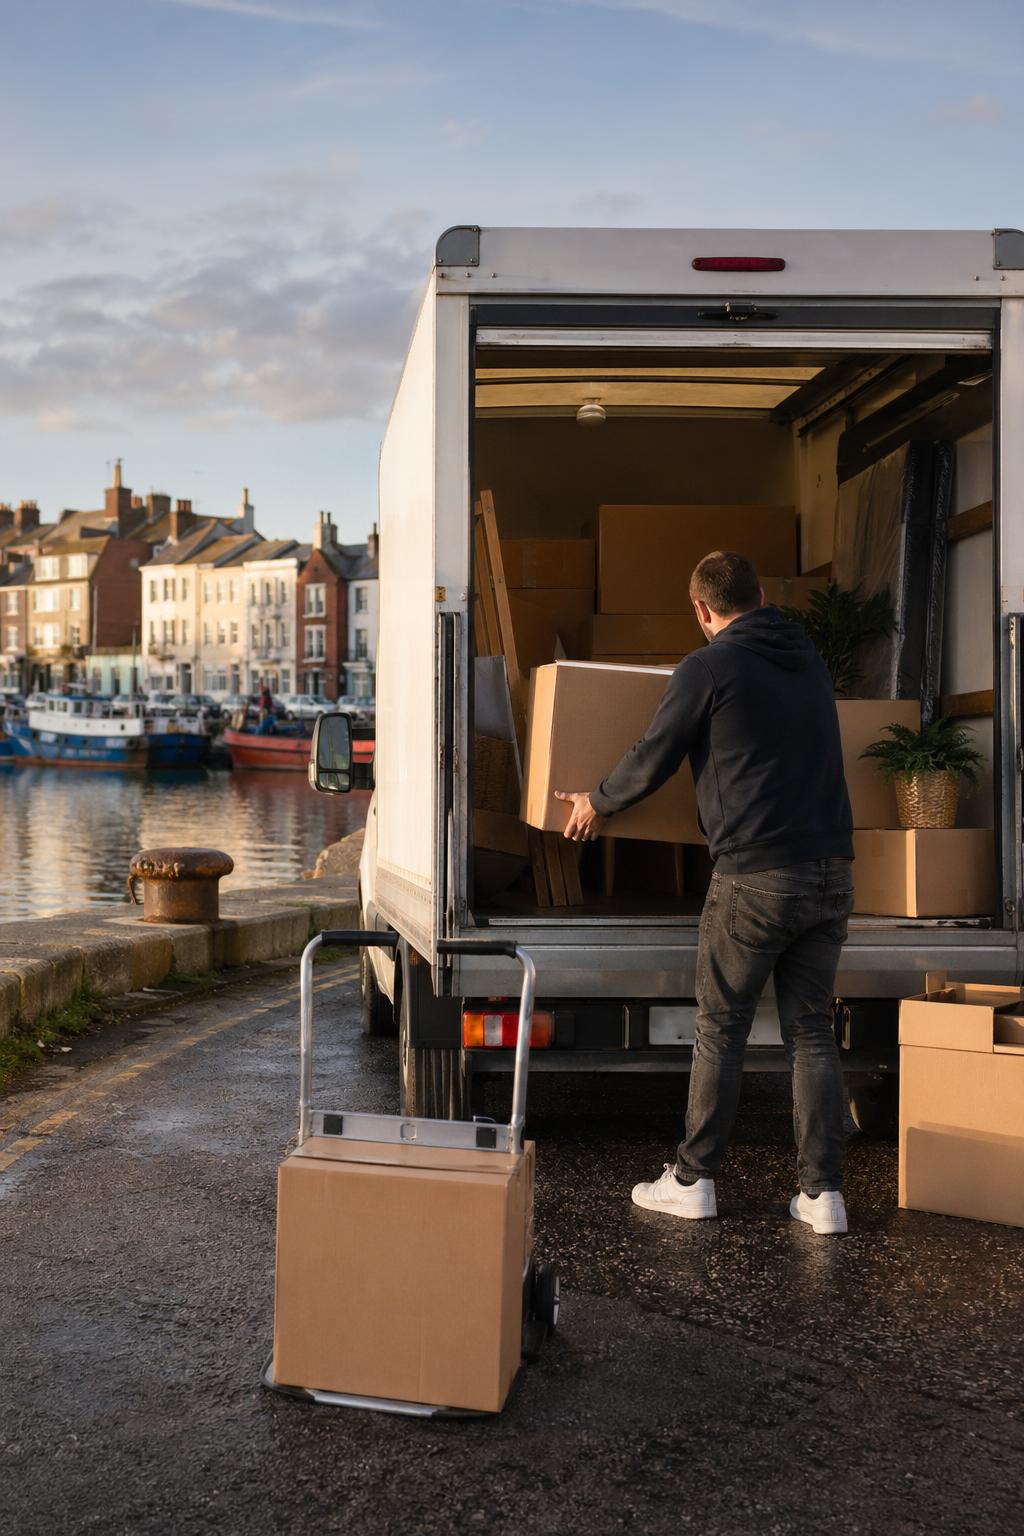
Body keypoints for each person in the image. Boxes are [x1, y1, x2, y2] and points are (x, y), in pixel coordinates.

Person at [555, 550, 854, 1236]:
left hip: (756, 874)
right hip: (832, 868)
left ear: (701, 610)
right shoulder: (805, 656)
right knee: (812, 1031)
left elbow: (656, 751)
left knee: (721, 1027)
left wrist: (596, 803)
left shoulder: (708, 667)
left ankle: (693, 1181)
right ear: (761, 593)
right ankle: (822, 1196)